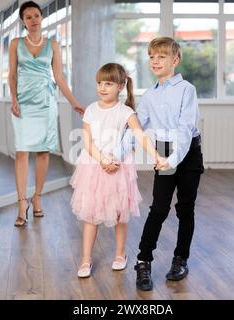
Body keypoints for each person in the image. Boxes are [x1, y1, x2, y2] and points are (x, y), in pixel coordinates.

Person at [113, 37, 204, 291]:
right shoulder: (149, 95)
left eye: (161, 56)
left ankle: (180, 259)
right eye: (152, 56)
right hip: (164, 151)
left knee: (185, 208)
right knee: (159, 208)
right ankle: (143, 261)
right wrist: (117, 155)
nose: (155, 60)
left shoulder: (187, 89)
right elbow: (135, 129)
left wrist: (172, 160)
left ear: (175, 60)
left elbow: (185, 130)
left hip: (188, 152)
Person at [70, 63, 163, 278]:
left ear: (121, 86)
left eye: (108, 84)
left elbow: (139, 135)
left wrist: (156, 155)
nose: (102, 88)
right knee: (91, 213)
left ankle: (120, 254)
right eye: (99, 83)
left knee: (120, 213)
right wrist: (103, 159)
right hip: (94, 166)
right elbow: (88, 141)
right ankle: (85, 259)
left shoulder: (126, 111)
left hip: (119, 168)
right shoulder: (91, 110)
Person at [9, 1, 84, 227]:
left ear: (41, 18)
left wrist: (74, 103)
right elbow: (11, 75)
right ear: (23, 21)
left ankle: (37, 196)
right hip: (22, 103)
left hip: (45, 102)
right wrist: (13, 99)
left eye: (36, 15)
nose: (33, 20)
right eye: (28, 17)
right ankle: (22, 202)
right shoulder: (15, 43)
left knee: (43, 152)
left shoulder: (53, 44)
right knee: (22, 152)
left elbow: (59, 78)